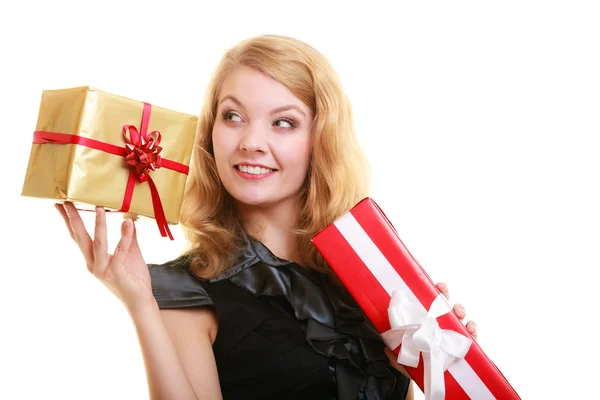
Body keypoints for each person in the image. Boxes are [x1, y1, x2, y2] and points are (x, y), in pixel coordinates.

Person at [55, 34, 478, 399]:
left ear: (320, 139)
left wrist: (434, 367)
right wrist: (141, 305)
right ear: (210, 132)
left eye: (283, 122)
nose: (252, 141)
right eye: (233, 116)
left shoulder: (366, 279)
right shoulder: (186, 292)